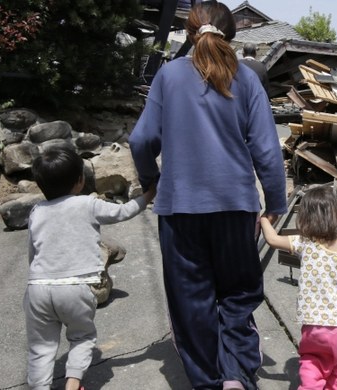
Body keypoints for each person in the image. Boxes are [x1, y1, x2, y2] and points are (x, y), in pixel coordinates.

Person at [128, 1, 287, 389]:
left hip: (180, 209)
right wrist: (276, 203)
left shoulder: (168, 76)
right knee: (238, 292)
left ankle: (209, 381)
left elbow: (141, 139)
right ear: (231, 36)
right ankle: (235, 374)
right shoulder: (247, 78)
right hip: (236, 207)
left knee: (191, 300)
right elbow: (267, 150)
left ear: (189, 31)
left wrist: (152, 179)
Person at [24, 146, 155, 390]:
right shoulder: (87, 204)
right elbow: (122, 211)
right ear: (80, 180)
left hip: (38, 287)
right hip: (76, 287)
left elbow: (33, 252)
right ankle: (72, 386)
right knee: (82, 337)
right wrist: (147, 196)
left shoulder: (36, 211)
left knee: (41, 347)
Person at [259, 186, 337, 390]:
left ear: (306, 217)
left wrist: (263, 218)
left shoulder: (306, 243)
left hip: (313, 325)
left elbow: (271, 240)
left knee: (312, 361)